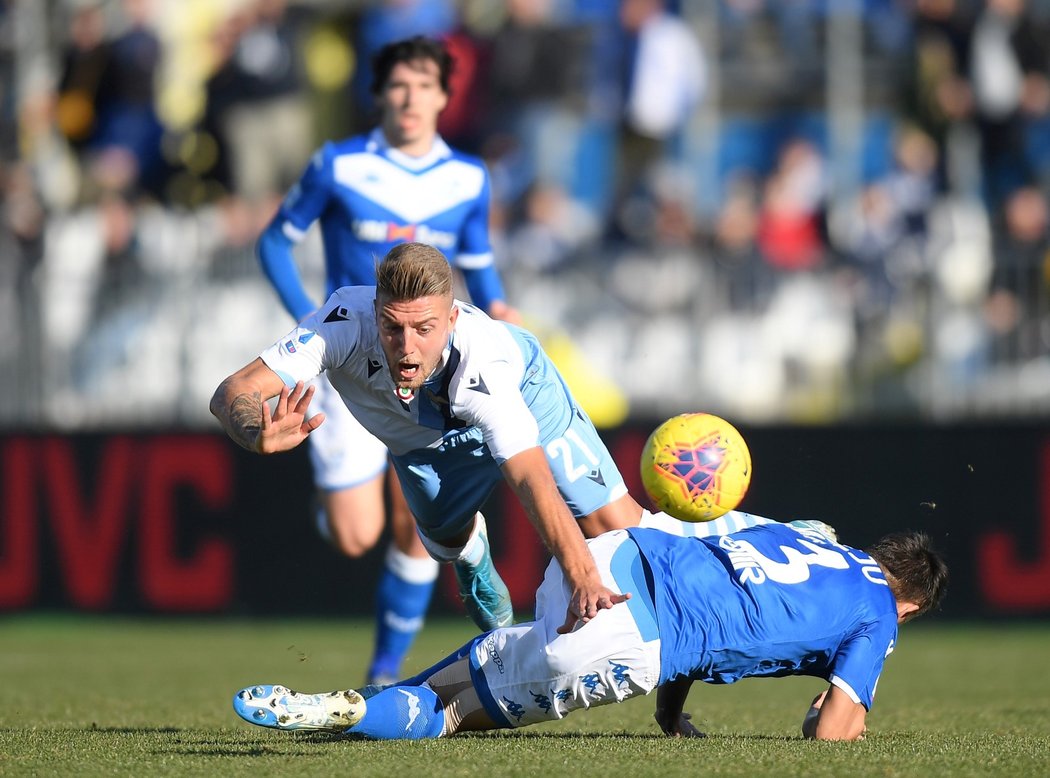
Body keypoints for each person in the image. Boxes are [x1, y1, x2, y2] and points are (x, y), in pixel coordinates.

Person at [253, 36, 519, 685]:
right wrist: (312, 323)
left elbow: (479, 266)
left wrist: (502, 313)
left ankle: (383, 672)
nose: (410, 98)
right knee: (353, 535)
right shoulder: (338, 165)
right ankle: (333, 500)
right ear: (379, 94)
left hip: (430, 368)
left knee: (418, 517)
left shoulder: (468, 179)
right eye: (398, 85)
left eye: (424, 85)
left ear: (444, 97)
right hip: (353, 371)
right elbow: (274, 243)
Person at [230, 522, 947, 741]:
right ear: (908, 606)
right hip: (629, 635)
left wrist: (672, 720)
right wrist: (838, 722)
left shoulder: (812, 538)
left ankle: (355, 709)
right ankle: (351, 712)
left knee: (499, 657)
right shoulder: (878, 612)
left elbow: (715, 600)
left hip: (606, 557)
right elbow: (830, 735)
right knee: (449, 717)